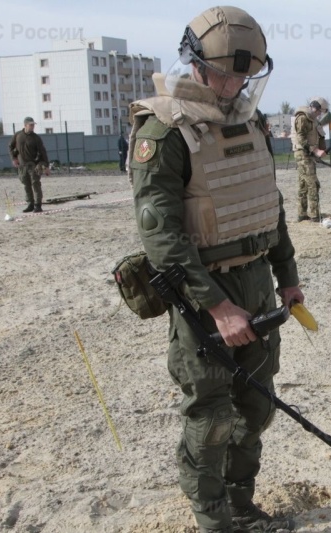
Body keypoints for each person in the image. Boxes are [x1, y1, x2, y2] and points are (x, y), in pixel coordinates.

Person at [127, 7, 302, 532]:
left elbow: (266, 205)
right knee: (211, 417)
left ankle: (241, 503)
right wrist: (217, 306)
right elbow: (161, 236)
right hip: (204, 291)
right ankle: (213, 520)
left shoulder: (249, 121)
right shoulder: (163, 129)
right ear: (197, 64)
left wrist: (287, 275)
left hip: (256, 283)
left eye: (246, 74)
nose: (236, 84)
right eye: (227, 72)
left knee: (257, 405)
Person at [291, 97, 328, 222]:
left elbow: (319, 137)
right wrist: (315, 150)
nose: (320, 114)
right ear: (315, 107)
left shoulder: (314, 120)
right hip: (302, 154)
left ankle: (302, 214)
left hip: (309, 154)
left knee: (304, 185)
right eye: (319, 111)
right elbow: (301, 138)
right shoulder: (302, 118)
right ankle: (314, 215)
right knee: (313, 184)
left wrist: (319, 152)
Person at [8, 117, 50, 212]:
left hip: (34, 165)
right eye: (30, 125)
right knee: (26, 185)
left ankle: (38, 205)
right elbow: (10, 146)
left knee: (35, 184)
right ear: (25, 125)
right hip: (22, 165)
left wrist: (46, 166)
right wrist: (14, 158)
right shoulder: (18, 135)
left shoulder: (36, 138)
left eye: (33, 125)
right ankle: (30, 204)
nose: (32, 126)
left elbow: (43, 152)